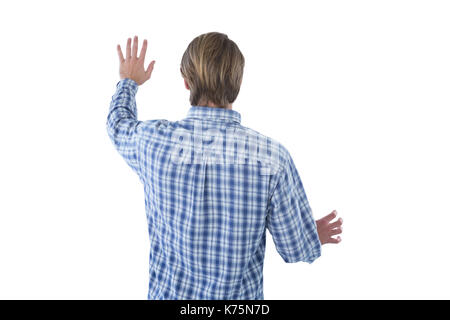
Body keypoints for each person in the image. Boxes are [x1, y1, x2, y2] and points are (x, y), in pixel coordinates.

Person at [107, 32, 343, 300]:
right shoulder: (271, 159)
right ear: (238, 83)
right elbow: (294, 248)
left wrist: (128, 82)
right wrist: (310, 235)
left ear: (186, 82)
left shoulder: (152, 142)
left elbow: (118, 124)